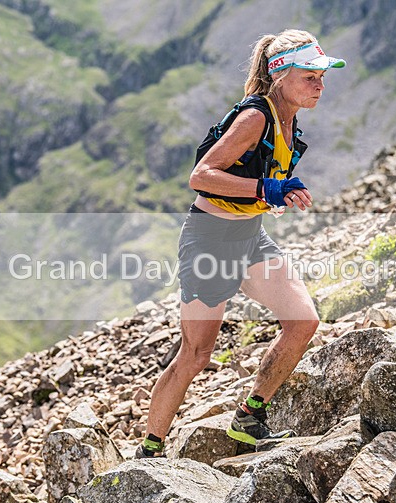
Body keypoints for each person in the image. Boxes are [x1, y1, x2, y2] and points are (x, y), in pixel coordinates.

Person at [136, 29, 345, 458]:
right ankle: (150, 451)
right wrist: (264, 190)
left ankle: (250, 417)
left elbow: (262, 178)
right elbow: (201, 176)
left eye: (323, 76)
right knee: (195, 355)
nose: (320, 85)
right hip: (210, 239)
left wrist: (283, 188)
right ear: (281, 74)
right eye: (311, 76)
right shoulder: (256, 117)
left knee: (303, 322)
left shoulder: (288, 118)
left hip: (250, 236)